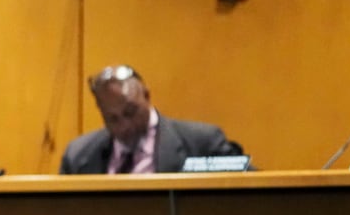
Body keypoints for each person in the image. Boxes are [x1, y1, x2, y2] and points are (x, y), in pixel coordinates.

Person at [60, 65, 237, 174]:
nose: (124, 126)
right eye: (112, 119)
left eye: (130, 112)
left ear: (146, 96)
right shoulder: (78, 155)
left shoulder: (201, 142)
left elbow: (251, 197)